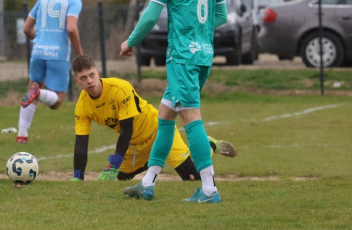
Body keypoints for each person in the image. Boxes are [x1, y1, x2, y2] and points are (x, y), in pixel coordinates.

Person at [119, 0, 227, 203]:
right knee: (165, 118)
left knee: (191, 118)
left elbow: (151, 15)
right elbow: (221, 16)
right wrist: (199, 32)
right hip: (203, 55)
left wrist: (130, 42)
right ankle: (148, 182)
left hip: (181, 57)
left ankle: (209, 189)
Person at [70, 54, 236, 182]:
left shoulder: (119, 88)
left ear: (98, 73)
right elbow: (81, 142)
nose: (89, 81)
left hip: (160, 132)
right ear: (77, 81)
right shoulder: (82, 106)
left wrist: (115, 162)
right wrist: (78, 176)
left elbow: (127, 129)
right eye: (83, 78)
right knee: (121, 179)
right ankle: (149, 162)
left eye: (92, 75)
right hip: (135, 145)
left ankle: (209, 145)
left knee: (193, 178)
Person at [16, 0, 84, 144]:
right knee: (57, 101)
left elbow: (25, 29)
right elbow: (71, 28)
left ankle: (22, 135)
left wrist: (38, 40)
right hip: (58, 54)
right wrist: (80, 54)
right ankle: (37, 92)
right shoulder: (74, 1)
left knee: (32, 90)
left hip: (38, 52)